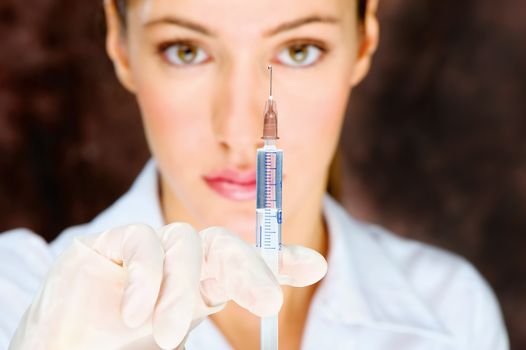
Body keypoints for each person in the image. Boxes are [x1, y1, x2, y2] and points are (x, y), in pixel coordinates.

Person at [0, 0, 509, 349]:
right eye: (185, 50)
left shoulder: (451, 312)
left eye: (299, 50)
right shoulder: (19, 297)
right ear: (119, 41)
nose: (241, 134)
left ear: (363, 41)